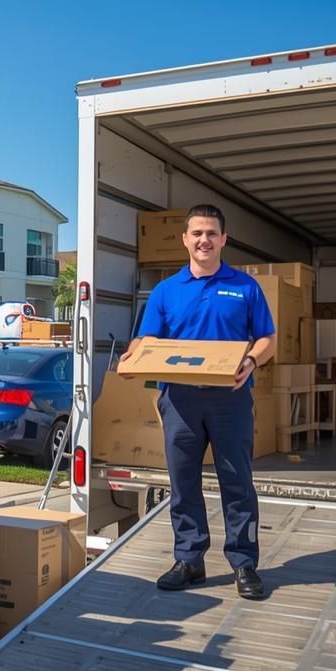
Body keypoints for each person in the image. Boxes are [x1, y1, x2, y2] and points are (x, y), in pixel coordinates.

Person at [120, 203, 276, 599]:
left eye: (211, 233)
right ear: (185, 240)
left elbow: (268, 339)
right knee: (182, 481)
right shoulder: (166, 291)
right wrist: (135, 352)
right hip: (181, 400)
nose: (204, 240)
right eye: (197, 234)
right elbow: (149, 338)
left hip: (231, 398)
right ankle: (190, 560)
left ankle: (244, 564)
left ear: (223, 239)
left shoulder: (245, 287)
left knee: (237, 482)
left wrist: (252, 359)